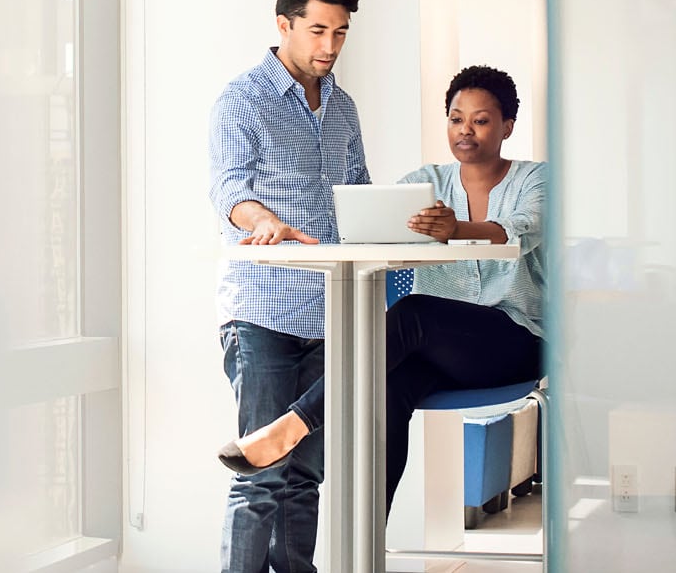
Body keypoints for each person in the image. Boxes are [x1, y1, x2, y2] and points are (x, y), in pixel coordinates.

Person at [219, 64, 546, 514]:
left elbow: (524, 228)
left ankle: (294, 424)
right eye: (456, 119)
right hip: (443, 358)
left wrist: (457, 229)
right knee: (388, 388)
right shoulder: (423, 186)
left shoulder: (535, 180)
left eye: (481, 120)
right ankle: (372, 541)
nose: (465, 130)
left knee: (412, 313)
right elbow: (370, 227)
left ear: (507, 126)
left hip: (515, 344)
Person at [208, 0, 370, 573]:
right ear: (284, 24)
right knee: (260, 479)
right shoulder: (242, 101)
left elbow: (358, 192)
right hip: (263, 315)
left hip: (328, 313)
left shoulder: (343, 108)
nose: (330, 46)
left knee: (305, 478)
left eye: (340, 33)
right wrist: (262, 220)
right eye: (318, 31)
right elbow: (230, 189)